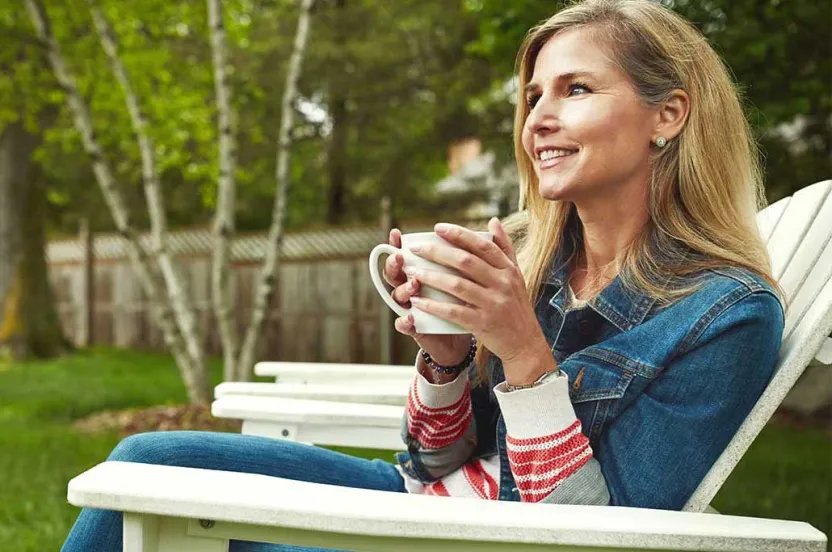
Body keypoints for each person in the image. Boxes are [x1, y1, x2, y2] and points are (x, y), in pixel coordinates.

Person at [61, 0, 785, 550]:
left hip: (459, 537)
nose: (537, 119)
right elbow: (433, 456)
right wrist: (446, 359)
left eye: (575, 90)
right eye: (534, 96)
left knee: (142, 500)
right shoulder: (541, 262)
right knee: (148, 459)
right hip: (421, 497)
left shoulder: (726, 316)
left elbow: (593, 534)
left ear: (669, 114)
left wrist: (526, 356)